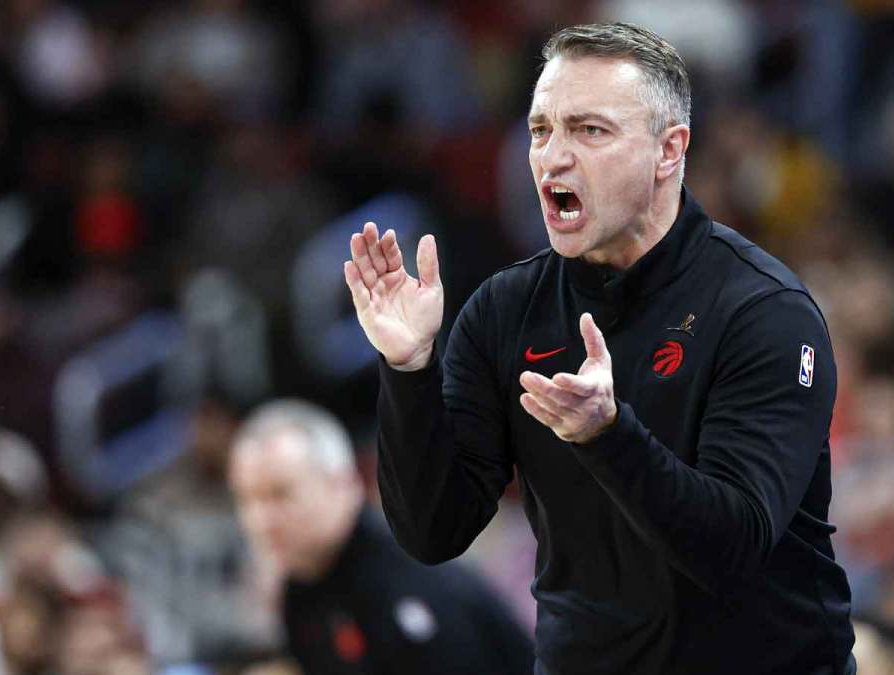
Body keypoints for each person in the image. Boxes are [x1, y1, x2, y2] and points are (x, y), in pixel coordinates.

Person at [344, 22, 856, 674]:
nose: (553, 157)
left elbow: (734, 544)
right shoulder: (504, 311)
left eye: (590, 131)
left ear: (669, 150)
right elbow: (431, 533)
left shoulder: (762, 312)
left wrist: (609, 436)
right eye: (540, 130)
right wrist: (409, 369)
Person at [228, 399, 534, 675]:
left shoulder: (411, 577)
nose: (261, 520)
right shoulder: (300, 588)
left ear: (341, 484)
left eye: (281, 494)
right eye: (247, 500)